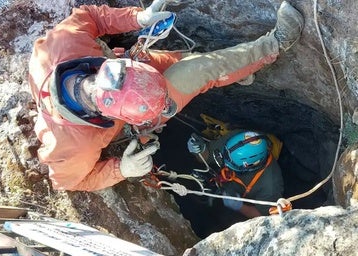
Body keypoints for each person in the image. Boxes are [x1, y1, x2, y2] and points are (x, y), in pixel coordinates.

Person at [28, 0, 304, 191]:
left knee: (188, 62)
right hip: (133, 106)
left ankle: (240, 66)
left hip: (135, 66)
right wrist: (121, 170)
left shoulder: (67, 42)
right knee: (198, 70)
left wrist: (138, 18)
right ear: (110, 115)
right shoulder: (71, 147)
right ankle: (275, 44)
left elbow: (91, 17)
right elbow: (71, 182)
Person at [187, 130, 284, 219]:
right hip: (220, 182)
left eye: (232, 164)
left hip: (239, 199)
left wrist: (240, 207)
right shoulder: (234, 141)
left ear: (250, 166)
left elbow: (264, 216)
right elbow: (206, 157)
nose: (226, 163)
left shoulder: (270, 185)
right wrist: (200, 150)